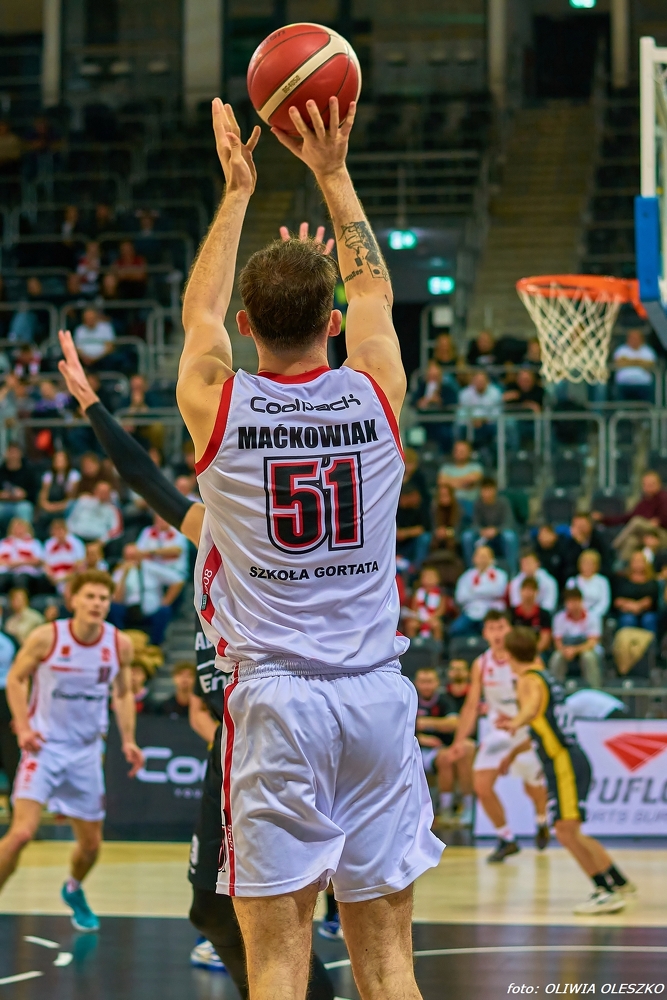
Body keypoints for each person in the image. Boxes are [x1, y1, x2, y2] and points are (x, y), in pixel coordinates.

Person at [175, 98, 444, 998]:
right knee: (390, 967)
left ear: (248, 325)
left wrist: (237, 192)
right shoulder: (375, 392)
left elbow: (197, 312)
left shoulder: (219, 405)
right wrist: (332, 170)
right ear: (331, 324)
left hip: (277, 705)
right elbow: (373, 291)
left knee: (279, 970)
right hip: (374, 698)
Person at [56, 325, 335, 999]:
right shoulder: (209, 528)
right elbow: (142, 476)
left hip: (277, 716)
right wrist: (92, 406)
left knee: (277, 908)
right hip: (232, 735)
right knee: (211, 913)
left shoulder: (278, 537)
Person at [0, 571, 142, 930]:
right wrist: (23, 726)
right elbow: (15, 678)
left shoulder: (119, 644)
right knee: (20, 834)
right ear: (73, 600)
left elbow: (123, 693)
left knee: (91, 846)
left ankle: (73, 888)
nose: (97, 603)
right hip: (44, 749)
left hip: (86, 753)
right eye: (90, 596)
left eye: (103, 598)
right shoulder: (47, 636)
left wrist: (128, 739)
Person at [499, 627, 634, 914]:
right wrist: (513, 751)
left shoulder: (527, 679)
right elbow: (542, 724)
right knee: (571, 829)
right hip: (571, 757)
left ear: (508, 654)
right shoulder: (546, 675)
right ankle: (617, 880)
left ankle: (604, 890)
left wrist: (515, 721)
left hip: (563, 762)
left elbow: (530, 709)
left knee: (565, 831)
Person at [447, 610, 549, 861]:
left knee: (533, 787)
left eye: (501, 627)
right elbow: (471, 705)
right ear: (485, 633)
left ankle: (542, 819)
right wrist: (459, 741)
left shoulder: (528, 660)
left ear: (510, 630)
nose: (497, 633)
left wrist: (518, 720)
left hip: (525, 730)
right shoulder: (481, 664)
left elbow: (538, 699)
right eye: (491, 628)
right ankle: (506, 838)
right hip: (499, 731)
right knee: (481, 785)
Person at [414, 667, 475, 826]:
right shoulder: (410, 698)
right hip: (412, 749)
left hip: (437, 750)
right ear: (416, 683)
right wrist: (422, 737)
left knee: (446, 758)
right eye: (423, 682)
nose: (426, 686)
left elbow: (453, 723)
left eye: (430, 681)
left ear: (437, 683)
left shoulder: (444, 700)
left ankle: (448, 810)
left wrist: (421, 723)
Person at [109, 542, 184, 646]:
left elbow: (178, 580)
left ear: (140, 554)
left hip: (151, 611)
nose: (132, 559)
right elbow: (116, 599)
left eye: (134, 556)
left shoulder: (152, 567)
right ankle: (119, 642)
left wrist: (165, 602)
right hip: (129, 611)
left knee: (164, 611)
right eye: (128, 557)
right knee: (114, 608)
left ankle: (155, 645)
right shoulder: (120, 571)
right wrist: (124, 575)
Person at [595, 470, 667, 563]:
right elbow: (626, 518)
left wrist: (660, 520)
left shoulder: (664, 498)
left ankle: (614, 546)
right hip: (645, 533)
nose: (648, 487)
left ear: (659, 484)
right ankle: (622, 565)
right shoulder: (643, 502)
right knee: (631, 541)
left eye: (652, 484)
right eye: (646, 484)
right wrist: (604, 519)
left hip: (662, 534)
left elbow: (663, 517)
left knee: (637, 521)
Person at [462, 476, 518, 575]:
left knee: (510, 537)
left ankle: (513, 572)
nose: (487, 493)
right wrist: (481, 531)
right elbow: (474, 523)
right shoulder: (477, 503)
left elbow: (508, 522)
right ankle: (471, 571)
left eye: (489, 490)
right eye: (484, 490)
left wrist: (496, 530)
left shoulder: (503, 502)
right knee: (467, 537)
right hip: (482, 535)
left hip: (500, 535)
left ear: (494, 490)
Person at [550, 588, 602, 688]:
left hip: (586, 649)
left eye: (575, 601)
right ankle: (555, 688)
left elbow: (592, 642)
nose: (573, 605)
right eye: (570, 602)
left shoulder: (592, 617)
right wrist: (565, 650)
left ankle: (595, 688)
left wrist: (575, 650)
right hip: (567, 649)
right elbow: (558, 642)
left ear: (581, 601)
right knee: (557, 657)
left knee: (588, 657)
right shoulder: (559, 618)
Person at [451, 545, 508, 636]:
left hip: (493, 612)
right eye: (480, 556)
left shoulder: (500, 575)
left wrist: (473, 591)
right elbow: (460, 597)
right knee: (456, 629)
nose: (482, 559)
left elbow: (498, 591)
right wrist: (486, 592)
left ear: (492, 559)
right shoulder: (466, 576)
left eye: (485, 556)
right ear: (474, 558)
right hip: (471, 612)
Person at [612, 550, 659, 634]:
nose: (638, 564)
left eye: (640, 561)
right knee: (628, 619)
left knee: (649, 619)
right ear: (630, 563)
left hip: (647, 612)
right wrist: (631, 605)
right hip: (626, 611)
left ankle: (651, 642)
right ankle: (625, 642)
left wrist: (638, 606)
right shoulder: (622, 580)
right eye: (635, 561)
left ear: (646, 563)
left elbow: (651, 600)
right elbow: (617, 601)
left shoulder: (652, 581)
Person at [438, 439, 483, 521]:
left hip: (471, 504)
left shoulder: (476, 467)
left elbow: (471, 481)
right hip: (451, 506)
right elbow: (442, 482)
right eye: (457, 450)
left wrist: (451, 482)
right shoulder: (446, 468)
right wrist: (463, 482)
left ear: (469, 452)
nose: (459, 453)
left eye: (462, 451)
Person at [456, 370, 502, 448]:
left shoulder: (495, 393)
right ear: (473, 382)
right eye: (477, 381)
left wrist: (483, 420)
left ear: (487, 382)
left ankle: (489, 451)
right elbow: (461, 413)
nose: (479, 383)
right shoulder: (465, 394)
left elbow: (497, 413)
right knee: (460, 427)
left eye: (482, 381)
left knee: (495, 428)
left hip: (488, 424)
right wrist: (472, 420)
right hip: (470, 424)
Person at [561, 512, 612, 582]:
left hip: (598, 578)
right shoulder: (569, 542)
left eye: (582, 526)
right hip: (577, 579)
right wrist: (579, 544)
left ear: (590, 525)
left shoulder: (600, 540)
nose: (580, 529)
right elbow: (568, 565)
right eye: (577, 526)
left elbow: (606, 562)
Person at [0, 519, 45, 595]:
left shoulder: (34, 543)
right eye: (16, 528)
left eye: (21, 527)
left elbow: (38, 561)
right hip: (7, 571)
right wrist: (10, 563)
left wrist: (20, 562)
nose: (18, 530)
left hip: (26, 572)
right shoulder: (3, 543)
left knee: (21, 579)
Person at [565, 549, 611, 620]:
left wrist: (592, 615)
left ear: (597, 566)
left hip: (596, 617)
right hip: (576, 616)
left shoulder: (602, 581)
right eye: (585, 563)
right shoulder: (572, 581)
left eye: (591, 564)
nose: (587, 566)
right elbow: (569, 601)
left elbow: (604, 602)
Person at [0, 627, 18, 804]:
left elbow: (22, 677)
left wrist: (21, 715)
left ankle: (16, 806)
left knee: (12, 758)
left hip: (7, 702)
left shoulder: (10, 640)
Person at [0, 443, 38, 529]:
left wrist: (24, 494)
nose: (13, 455)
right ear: (6, 454)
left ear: (20, 454)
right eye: (10, 452)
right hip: (4, 503)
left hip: (21, 503)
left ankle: (26, 535)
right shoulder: (1, 471)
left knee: (25, 509)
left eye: (15, 452)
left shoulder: (28, 471)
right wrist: (2, 495)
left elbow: (34, 493)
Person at [612, 328, 656, 403]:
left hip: (643, 384)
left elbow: (650, 364)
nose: (634, 340)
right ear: (628, 339)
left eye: (636, 338)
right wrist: (640, 362)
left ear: (641, 339)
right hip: (624, 384)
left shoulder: (648, 350)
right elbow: (619, 363)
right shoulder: (621, 350)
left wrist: (628, 361)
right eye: (632, 338)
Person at [43, 518, 86, 593]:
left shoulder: (77, 543)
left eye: (61, 529)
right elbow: (45, 564)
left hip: (71, 576)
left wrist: (63, 577)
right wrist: (51, 576)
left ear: (66, 530)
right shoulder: (48, 543)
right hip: (54, 577)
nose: (59, 532)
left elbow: (79, 564)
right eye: (56, 530)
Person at [404, 565, 446, 641]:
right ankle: (413, 645)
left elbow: (441, 610)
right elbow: (414, 608)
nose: (429, 579)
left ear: (437, 579)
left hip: (433, 617)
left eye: (431, 577)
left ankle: (437, 645)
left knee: (436, 625)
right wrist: (420, 617)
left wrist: (431, 617)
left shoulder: (440, 594)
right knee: (411, 625)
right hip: (419, 618)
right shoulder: (418, 593)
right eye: (426, 576)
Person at [511, 577, 552, 653]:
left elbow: (545, 639)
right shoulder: (511, 612)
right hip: (516, 651)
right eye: (526, 590)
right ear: (520, 591)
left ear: (537, 592)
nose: (528, 594)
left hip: (536, 651)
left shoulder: (544, 614)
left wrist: (531, 652)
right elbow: (508, 635)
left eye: (531, 590)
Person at [534, 523, 568, 589]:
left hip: (560, 584)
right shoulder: (535, 551)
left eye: (546, 534)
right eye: (541, 535)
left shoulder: (562, 550)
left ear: (554, 535)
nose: (543, 537)